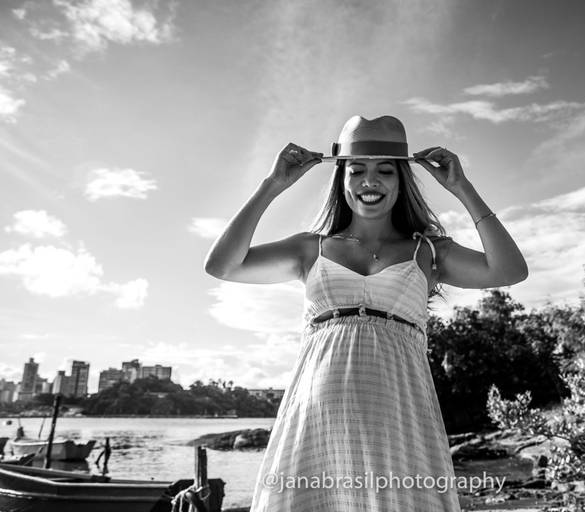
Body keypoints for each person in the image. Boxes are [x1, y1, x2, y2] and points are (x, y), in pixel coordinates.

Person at [204, 115, 528, 511]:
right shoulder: (310, 248)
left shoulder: (428, 251)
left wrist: (463, 189)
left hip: (399, 418)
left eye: (384, 171)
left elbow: (510, 270)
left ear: (401, 180)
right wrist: (272, 185)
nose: (369, 181)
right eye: (356, 170)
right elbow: (222, 265)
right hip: (317, 422)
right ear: (341, 179)